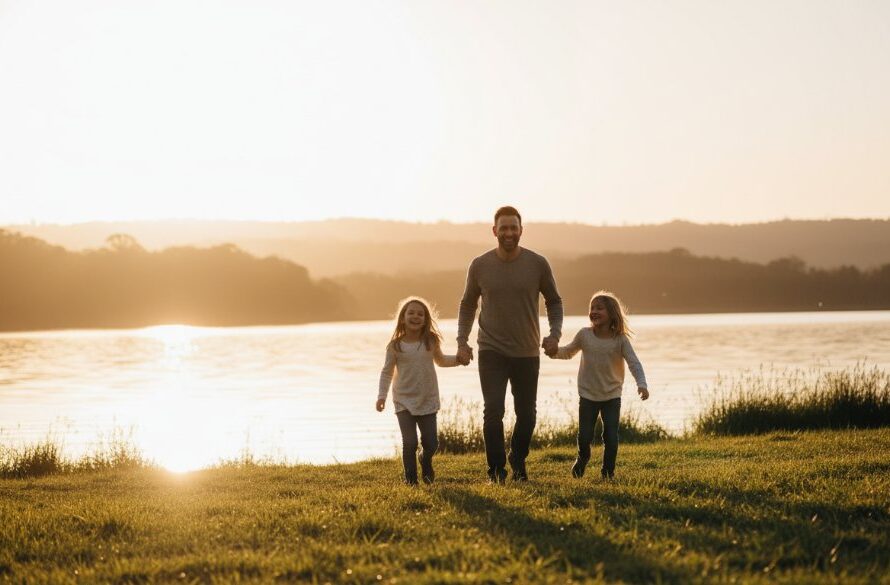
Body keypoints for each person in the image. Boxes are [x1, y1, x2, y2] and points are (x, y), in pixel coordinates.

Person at [456, 205, 563, 483]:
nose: (508, 233)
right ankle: (496, 470)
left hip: (527, 351)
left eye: (513, 227)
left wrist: (555, 334)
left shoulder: (537, 264)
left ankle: (517, 457)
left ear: (521, 231)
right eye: (503, 228)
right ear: (494, 231)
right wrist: (462, 341)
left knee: (526, 414)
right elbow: (467, 304)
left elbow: (554, 300)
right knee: (493, 411)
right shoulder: (479, 265)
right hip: (490, 349)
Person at [550, 290, 649, 480]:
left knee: (611, 436)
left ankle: (608, 472)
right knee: (585, 435)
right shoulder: (584, 335)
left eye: (599, 308)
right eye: (592, 308)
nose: (594, 311)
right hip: (587, 395)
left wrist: (641, 384)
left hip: (612, 395)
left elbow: (634, 363)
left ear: (612, 313)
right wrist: (553, 352)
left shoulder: (620, 339)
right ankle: (583, 457)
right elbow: (569, 352)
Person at [377, 297, 460, 485]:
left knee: (432, 443)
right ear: (403, 318)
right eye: (411, 313)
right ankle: (411, 480)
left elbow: (441, 361)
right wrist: (382, 396)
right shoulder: (395, 346)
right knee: (410, 442)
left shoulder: (430, 341)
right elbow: (386, 372)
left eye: (420, 314)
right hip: (403, 400)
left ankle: (425, 459)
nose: (416, 316)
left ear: (426, 319)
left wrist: (459, 359)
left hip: (427, 398)